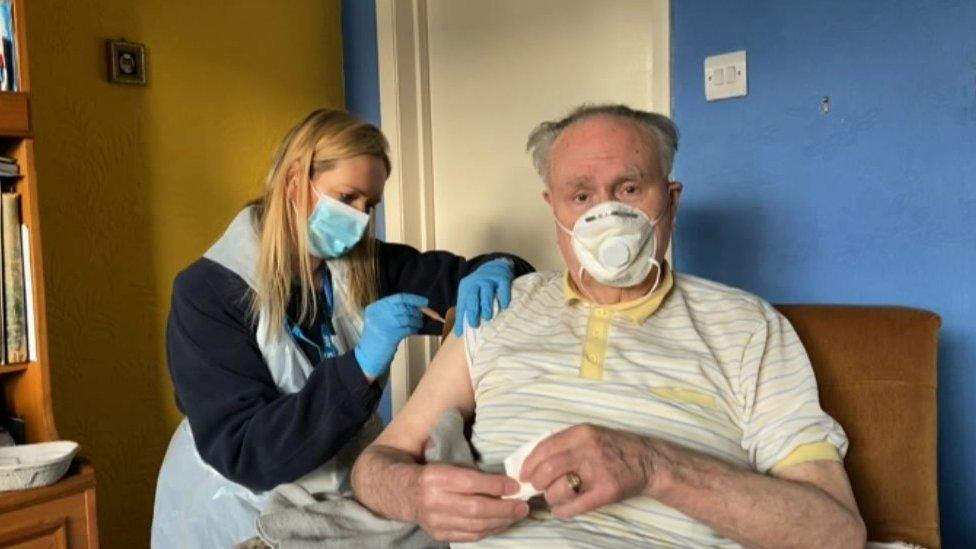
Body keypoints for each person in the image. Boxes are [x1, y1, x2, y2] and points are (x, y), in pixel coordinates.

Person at [351, 105, 866, 547]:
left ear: (671, 200)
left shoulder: (748, 327)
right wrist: (415, 495)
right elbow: (377, 464)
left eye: (629, 188)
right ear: (553, 211)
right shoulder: (502, 308)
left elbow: (835, 531)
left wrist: (653, 466)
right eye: (581, 196)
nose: (608, 216)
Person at [150, 109, 533, 548]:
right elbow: (247, 450)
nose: (360, 219)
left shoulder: (365, 264)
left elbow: (468, 278)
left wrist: (501, 266)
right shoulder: (207, 293)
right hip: (238, 510)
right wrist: (360, 368)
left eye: (369, 204)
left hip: (328, 504)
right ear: (295, 183)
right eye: (347, 197)